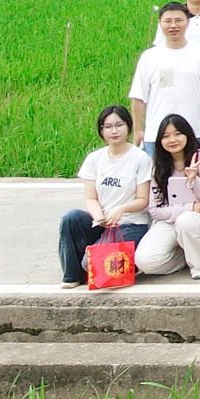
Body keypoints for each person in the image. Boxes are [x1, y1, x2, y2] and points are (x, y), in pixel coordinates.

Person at [59, 104, 153, 288]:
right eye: (108, 126)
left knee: (94, 265)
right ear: (101, 131)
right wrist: (99, 218)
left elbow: (143, 200)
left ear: (128, 127)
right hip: (102, 222)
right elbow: (91, 198)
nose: (114, 131)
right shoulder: (94, 159)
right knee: (71, 218)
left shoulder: (141, 159)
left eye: (119, 125)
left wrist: (120, 210)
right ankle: (73, 275)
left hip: (130, 223)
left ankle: (105, 264)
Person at [137, 114, 200, 280]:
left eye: (177, 134)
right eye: (166, 136)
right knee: (145, 262)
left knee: (187, 221)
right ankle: (187, 255)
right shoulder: (158, 166)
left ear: (187, 134)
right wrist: (191, 207)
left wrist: (194, 180)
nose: (172, 140)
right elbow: (154, 210)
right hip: (170, 220)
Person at [130, 1, 200, 149]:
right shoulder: (150, 56)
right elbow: (138, 96)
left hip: (193, 132)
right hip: (156, 134)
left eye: (178, 20)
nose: (173, 25)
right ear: (160, 23)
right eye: (168, 21)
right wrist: (138, 130)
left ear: (188, 22)